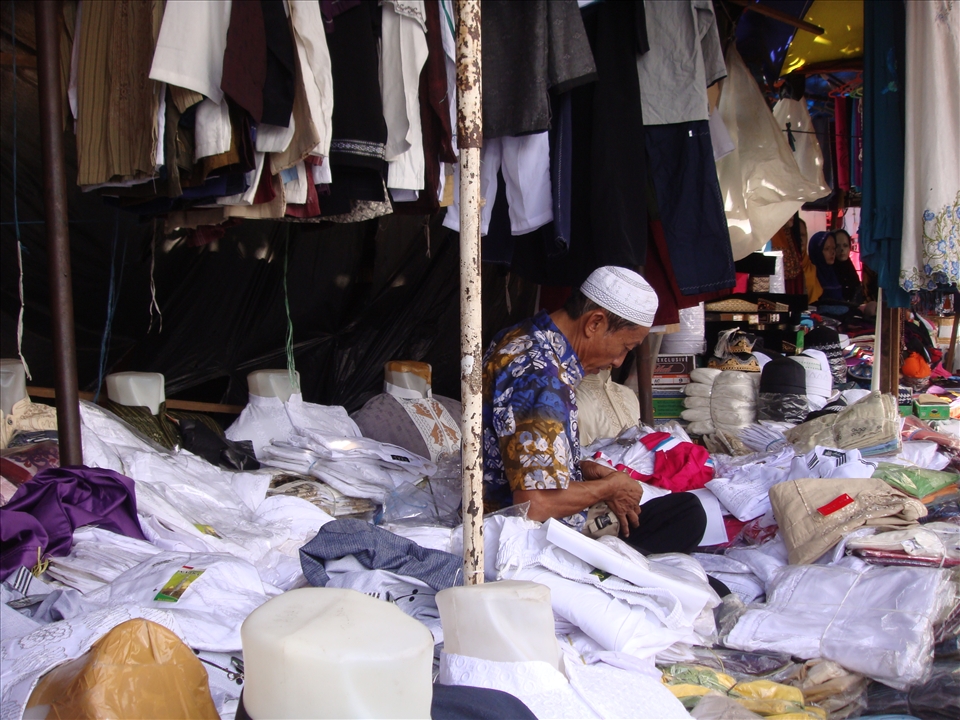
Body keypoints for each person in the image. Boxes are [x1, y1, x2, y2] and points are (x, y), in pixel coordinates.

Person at [482, 266, 707, 555]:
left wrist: (579, 468)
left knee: (679, 512)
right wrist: (609, 489)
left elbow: (517, 451)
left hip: (507, 512)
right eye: (625, 347)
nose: (618, 361)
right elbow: (536, 503)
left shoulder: (522, 336)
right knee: (685, 518)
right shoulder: (541, 377)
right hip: (522, 537)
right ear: (595, 323)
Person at [808, 231, 843, 302]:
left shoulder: (835, 273)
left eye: (833, 248)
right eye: (827, 249)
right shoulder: (811, 275)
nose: (832, 252)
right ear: (817, 252)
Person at [832, 229, 863, 303]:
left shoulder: (851, 272)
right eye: (837, 246)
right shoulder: (828, 273)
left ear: (849, 248)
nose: (842, 249)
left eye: (845, 246)